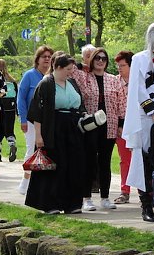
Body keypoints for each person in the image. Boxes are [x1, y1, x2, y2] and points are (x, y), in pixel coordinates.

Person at [25, 52, 87, 214]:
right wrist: (38, 136)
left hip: (72, 129)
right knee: (54, 167)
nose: (70, 72)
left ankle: (72, 203)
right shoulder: (46, 84)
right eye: (67, 69)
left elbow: (80, 104)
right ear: (57, 67)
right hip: (53, 128)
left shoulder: (72, 82)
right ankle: (50, 203)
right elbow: (37, 112)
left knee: (73, 165)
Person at [125, 23, 154, 223]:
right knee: (145, 160)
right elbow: (138, 88)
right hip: (147, 117)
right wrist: (151, 109)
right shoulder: (139, 59)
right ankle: (146, 205)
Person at [72, 48, 127, 211]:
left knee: (105, 162)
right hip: (91, 125)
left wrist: (120, 124)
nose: (101, 61)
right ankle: (87, 198)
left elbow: (121, 102)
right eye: (97, 58)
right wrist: (84, 65)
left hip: (109, 125)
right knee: (89, 162)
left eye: (104, 58)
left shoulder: (113, 80)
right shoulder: (85, 77)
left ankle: (105, 197)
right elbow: (71, 68)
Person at [17, 45, 54, 194]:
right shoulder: (29, 75)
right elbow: (21, 98)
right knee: (31, 149)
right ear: (37, 59)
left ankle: (41, 183)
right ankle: (25, 182)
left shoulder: (53, 77)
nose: (46, 59)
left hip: (48, 121)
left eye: (49, 57)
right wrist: (23, 119)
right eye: (43, 56)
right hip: (32, 120)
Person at [113, 50, 134, 204]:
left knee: (142, 158)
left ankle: (148, 192)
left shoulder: (138, 81)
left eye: (123, 65)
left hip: (137, 124)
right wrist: (119, 125)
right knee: (124, 159)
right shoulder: (115, 82)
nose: (120, 68)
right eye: (118, 65)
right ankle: (124, 191)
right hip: (121, 124)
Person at [0, 58, 18, 162]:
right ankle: (12, 144)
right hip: (11, 107)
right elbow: (17, 95)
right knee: (9, 129)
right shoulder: (12, 81)